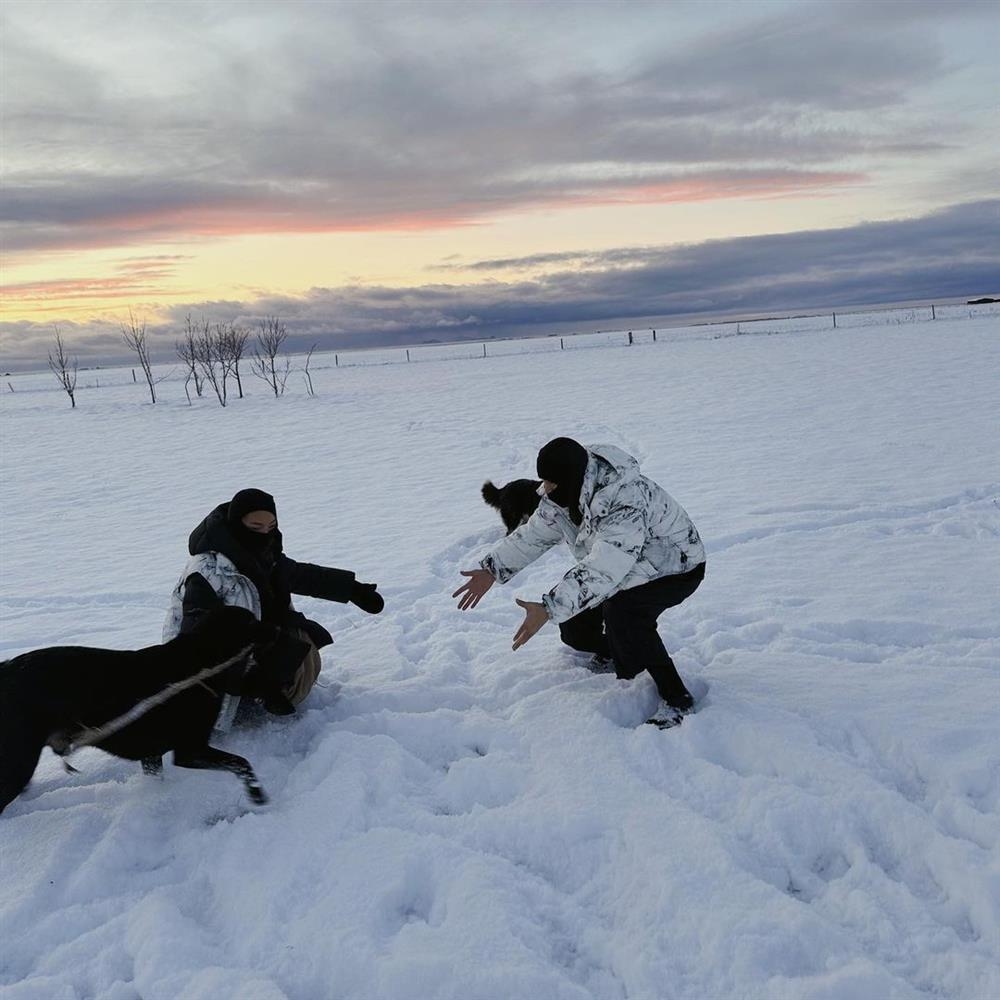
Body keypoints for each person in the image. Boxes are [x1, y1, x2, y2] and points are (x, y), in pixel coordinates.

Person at [454, 438, 705, 728]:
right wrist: (492, 569)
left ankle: (677, 699)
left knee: (625, 614)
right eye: (544, 481)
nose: (544, 490)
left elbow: (604, 567)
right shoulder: (563, 494)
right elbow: (534, 534)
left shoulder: (623, 499)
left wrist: (548, 608)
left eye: (550, 482)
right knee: (575, 629)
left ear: (570, 478)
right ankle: (621, 653)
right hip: (626, 567)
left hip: (675, 566)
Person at [164, 488, 384, 727]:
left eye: (271, 527)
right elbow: (194, 643)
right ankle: (243, 704)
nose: (265, 534)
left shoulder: (261, 554)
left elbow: (299, 575)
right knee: (288, 649)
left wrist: (352, 589)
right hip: (208, 679)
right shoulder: (208, 572)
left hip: (247, 653)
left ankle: (262, 691)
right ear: (237, 524)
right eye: (255, 527)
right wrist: (252, 680)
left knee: (296, 634)